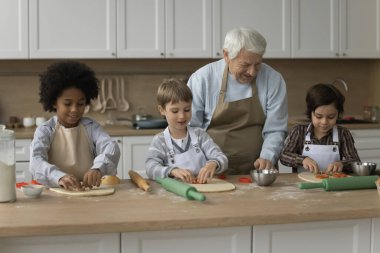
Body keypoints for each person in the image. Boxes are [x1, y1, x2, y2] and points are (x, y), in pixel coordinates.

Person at [187, 27, 288, 174]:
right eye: (245, 65)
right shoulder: (202, 79)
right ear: (227, 55)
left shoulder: (273, 80)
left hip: (256, 169)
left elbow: (275, 129)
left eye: (258, 64)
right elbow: (191, 128)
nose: (252, 72)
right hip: (210, 169)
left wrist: (268, 157)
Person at [29, 61, 120, 190]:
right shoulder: (45, 130)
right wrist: (59, 177)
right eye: (67, 104)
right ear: (54, 102)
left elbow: (111, 147)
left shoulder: (91, 127)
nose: (74, 110)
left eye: (80, 104)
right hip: (54, 194)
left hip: (87, 193)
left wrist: (98, 168)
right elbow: (36, 162)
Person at [145, 78, 228, 184]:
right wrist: (172, 171)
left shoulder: (200, 135)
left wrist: (213, 164)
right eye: (175, 111)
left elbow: (222, 158)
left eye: (187, 109)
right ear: (162, 110)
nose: (182, 116)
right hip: (173, 194)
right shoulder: (160, 141)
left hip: (203, 190)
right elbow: (150, 168)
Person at [279, 83, 360, 173]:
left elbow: (355, 161)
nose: (324, 122)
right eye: (318, 116)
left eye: (331, 117)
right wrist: (302, 160)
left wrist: (341, 164)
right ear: (311, 113)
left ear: (338, 114)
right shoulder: (299, 131)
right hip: (301, 184)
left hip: (331, 184)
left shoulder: (343, 133)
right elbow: (284, 156)